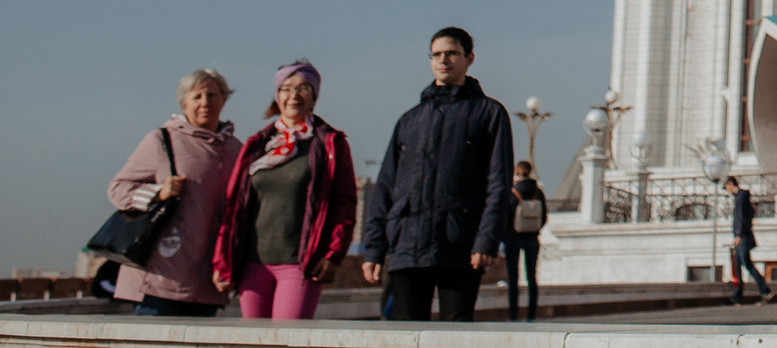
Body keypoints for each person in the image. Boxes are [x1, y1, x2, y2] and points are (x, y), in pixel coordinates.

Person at [358, 26, 516, 323]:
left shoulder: (489, 113)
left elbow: (498, 183)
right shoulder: (411, 120)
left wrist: (486, 240)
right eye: (437, 54)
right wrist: (375, 249)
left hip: (460, 243)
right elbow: (386, 187)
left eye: (452, 53)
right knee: (405, 334)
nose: (444, 60)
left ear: (469, 58)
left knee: (455, 333)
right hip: (408, 244)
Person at [212, 60, 358, 320]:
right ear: (277, 96)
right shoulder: (257, 145)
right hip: (253, 262)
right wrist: (222, 261)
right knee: (254, 342)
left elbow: (344, 203)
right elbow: (233, 206)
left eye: (303, 88)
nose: (294, 95)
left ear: (314, 96)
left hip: (299, 264)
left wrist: (333, 255)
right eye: (286, 88)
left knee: (288, 339)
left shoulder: (330, 144)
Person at [106, 69, 241, 317]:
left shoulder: (235, 150)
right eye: (197, 97)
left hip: (207, 282)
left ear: (223, 100)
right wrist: (158, 192)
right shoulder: (162, 140)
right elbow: (118, 188)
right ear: (184, 103)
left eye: (212, 95)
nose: (205, 103)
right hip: (160, 281)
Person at [505, 162, 547, 321]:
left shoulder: (514, 192)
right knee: (532, 277)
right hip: (532, 239)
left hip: (513, 238)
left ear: (517, 173)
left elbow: (507, 215)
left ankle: (513, 315)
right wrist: (534, 229)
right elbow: (544, 217)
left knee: (513, 278)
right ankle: (531, 315)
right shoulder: (538, 192)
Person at [724, 176, 771, 304]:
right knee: (738, 264)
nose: (727, 190)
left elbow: (740, 216)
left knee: (746, 263)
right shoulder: (742, 197)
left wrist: (738, 234)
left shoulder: (740, 197)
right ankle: (737, 295)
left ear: (730, 183)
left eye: (726, 187)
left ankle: (765, 291)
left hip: (742, 236)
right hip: (742, 235)